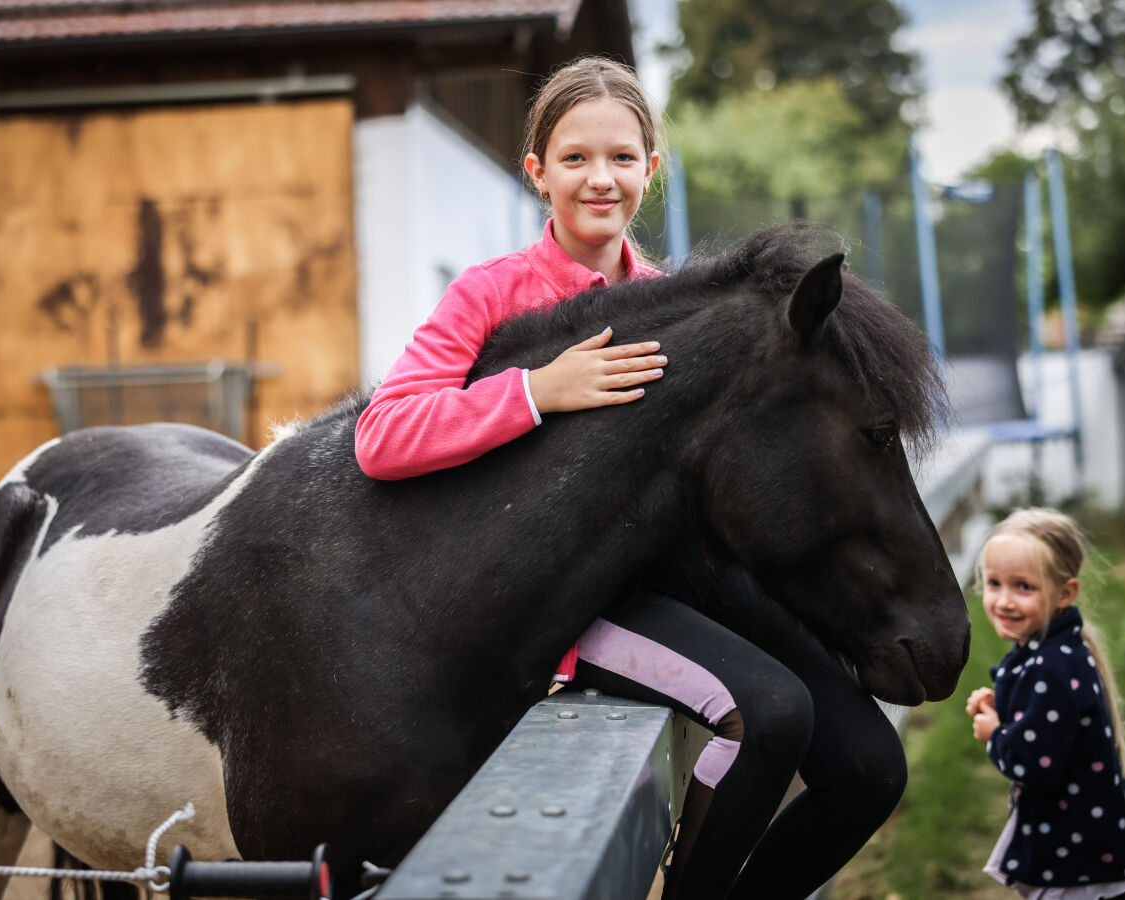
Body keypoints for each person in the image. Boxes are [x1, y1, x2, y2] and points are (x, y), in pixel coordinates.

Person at [355, 56, 904, 899]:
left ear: (653, 168)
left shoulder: (678, 302)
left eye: (620, 157)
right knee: (774, 714)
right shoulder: (489, 295)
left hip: (681, 578)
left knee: (871, 769)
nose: (599, 179)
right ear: (537, 174)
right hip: (568, 599)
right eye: (575, 158)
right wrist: (538, 391)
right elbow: (382, 437)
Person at [967, 508, 1125, 899]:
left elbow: (1034, 764)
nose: (1003, 600)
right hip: (1090, 842)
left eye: (1024, 587)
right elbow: (1051, 718)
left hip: (1077, 861)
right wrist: (1003, 704)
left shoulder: (1051, 668)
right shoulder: (1056, 650)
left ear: (1065, 593)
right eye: (994, 583)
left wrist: (994, 732)